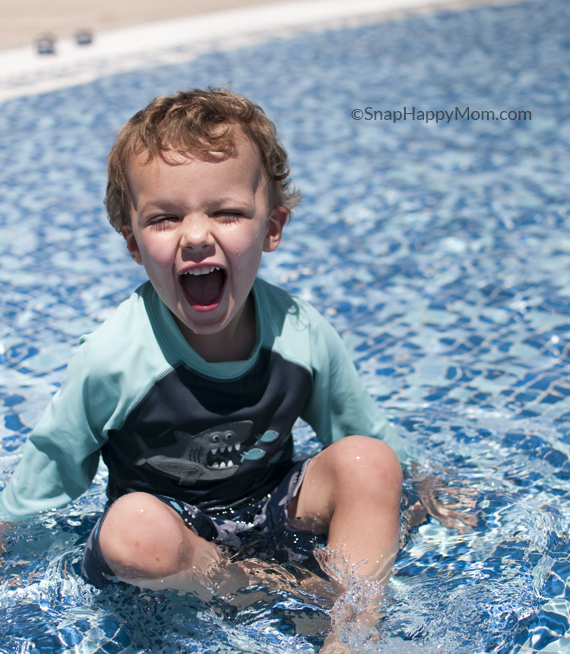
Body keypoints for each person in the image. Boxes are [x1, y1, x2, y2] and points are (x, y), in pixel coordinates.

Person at [0, 88, 412, 593]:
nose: (195, 236)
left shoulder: (300, 335)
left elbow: (367, 438)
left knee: (369, 462)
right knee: (131, 530)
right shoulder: (113, 359)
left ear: (272, 228)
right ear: (133, 244)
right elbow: (48, 472)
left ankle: (352, 636)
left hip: (273, 513)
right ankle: (265, 591)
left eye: (227, 213)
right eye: (165, 218)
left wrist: (430, 490)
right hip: (177, 545)